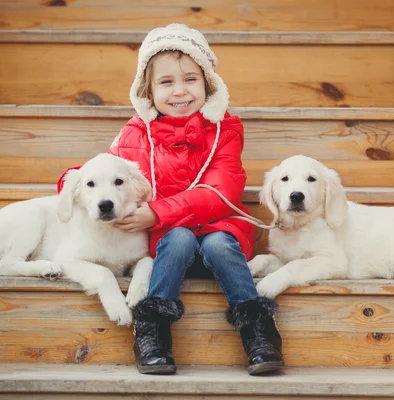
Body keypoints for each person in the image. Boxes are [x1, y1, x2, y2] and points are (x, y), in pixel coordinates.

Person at [59, 23, 283, 376]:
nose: (180, 91)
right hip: (165, 243)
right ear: (147, 90)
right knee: (177, 237)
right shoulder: (135, 134)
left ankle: (257, 328)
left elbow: (221, 193)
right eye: (166, 82)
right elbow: (105, 174)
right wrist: (71, 183)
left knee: (221, 244)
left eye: (190, 79)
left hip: (216, 232)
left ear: (208, 83)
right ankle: (153, 330)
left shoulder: (225, 131)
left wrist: (156, 211)